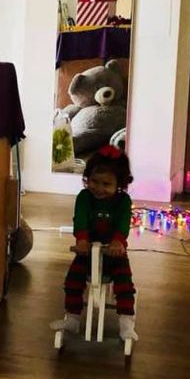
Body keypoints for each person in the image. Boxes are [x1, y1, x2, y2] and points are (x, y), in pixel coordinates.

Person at [50, 145, 138, 341]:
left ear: (119, 185)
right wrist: (81, 240)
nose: (98, 188)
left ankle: (126, 322)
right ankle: (72, 318)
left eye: (106, 184)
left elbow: (123, 224)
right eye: (94, 181)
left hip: (113, 252)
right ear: (87, 178)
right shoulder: (84, 198)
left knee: (124, 284)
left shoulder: (123, 201)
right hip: (87, 250)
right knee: (72, 281)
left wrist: (117, 242)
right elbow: (80, 219)